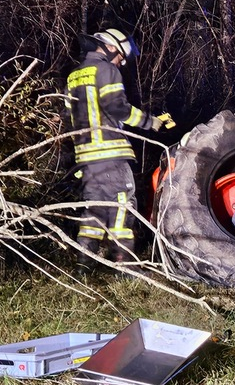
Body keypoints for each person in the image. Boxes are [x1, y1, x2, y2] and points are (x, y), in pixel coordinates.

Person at [64, 28, 168, 265]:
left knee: (94, 210)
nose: (121, 63)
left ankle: (84, 265)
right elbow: (117, 108)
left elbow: (68, 118)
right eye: (121, 57)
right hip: (110, 153)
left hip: (87, 158)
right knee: (123, 204)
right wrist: (151, 122)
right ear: (111, 48)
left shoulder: (74, 76)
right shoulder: (106, 70)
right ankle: (124, 264)